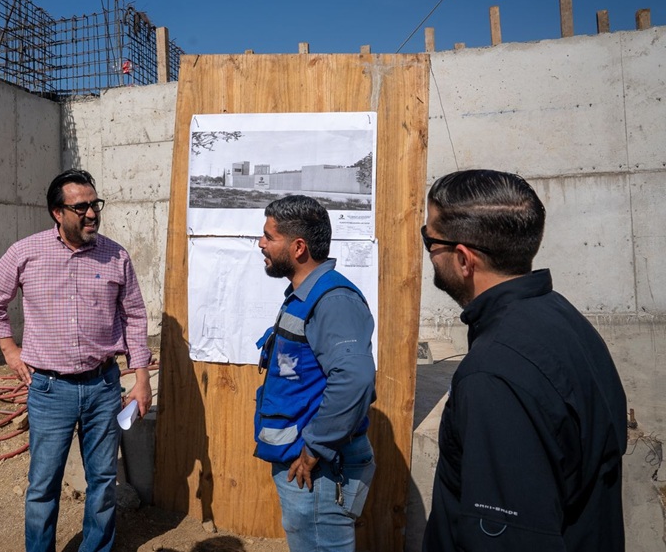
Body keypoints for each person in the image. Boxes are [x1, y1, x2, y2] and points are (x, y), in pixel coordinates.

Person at [421, 169, 627, 551]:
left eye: (429, 240)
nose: (429, 252)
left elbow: (506, 539)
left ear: (464, 259)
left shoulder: (494, 374)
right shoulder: (560, 317)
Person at [0, 168, 151, 552]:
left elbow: (135, 317)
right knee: (44, 484)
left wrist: (141, 378)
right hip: (49, 390)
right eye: (81, 207)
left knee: (103, 480)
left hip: (103, 386)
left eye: (95, 204)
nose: (91, 214)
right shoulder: (26, 252)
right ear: (57, 213)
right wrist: (9, 350)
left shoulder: (116, 256)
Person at [253, 195, 376, 552]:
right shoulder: (304, 295)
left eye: (269, 236)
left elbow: (355, 379)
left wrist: (315, 449)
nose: (261, 243)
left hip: (319, 468)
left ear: (298, 247)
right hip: (306, 462)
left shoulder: (333, 300)